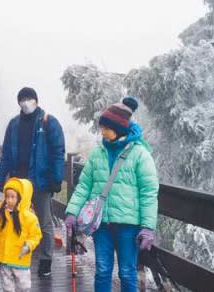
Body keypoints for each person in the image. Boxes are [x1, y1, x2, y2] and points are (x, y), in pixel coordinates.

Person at [63, 97, 159, 292]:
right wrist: (72, 213)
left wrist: (148, 227)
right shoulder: (98, 153)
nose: (102, 131)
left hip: (129, 225)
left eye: (106, 127)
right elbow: (84, 186)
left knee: (126, 272)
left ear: (119, 128)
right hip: (102, 224)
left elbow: (149, 192)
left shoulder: (140, 154)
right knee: (103, 270)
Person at [0, 87, 65, 277]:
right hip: (18, 182)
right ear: (18, 102)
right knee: (16, 219)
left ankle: (45, 260)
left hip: (40, 181)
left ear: (36, 100)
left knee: (44, 221)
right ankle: (18, 254)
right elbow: (6, 153)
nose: (26, 102)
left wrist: (57, 179)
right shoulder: (14, 124)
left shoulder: (49, 122)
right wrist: (0, 176)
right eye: (22, 99)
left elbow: (58, 152)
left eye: (29, 99)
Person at [0, 177, 42, 292]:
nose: (9, 200)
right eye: (7, 196)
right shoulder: (3, 213)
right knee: (7, 287)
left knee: (23, 287)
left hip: (20, 259)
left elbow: (36, 236)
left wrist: (28, 245)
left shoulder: (30, 218)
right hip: (4, 259)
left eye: (13, 197)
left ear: (21, 198)